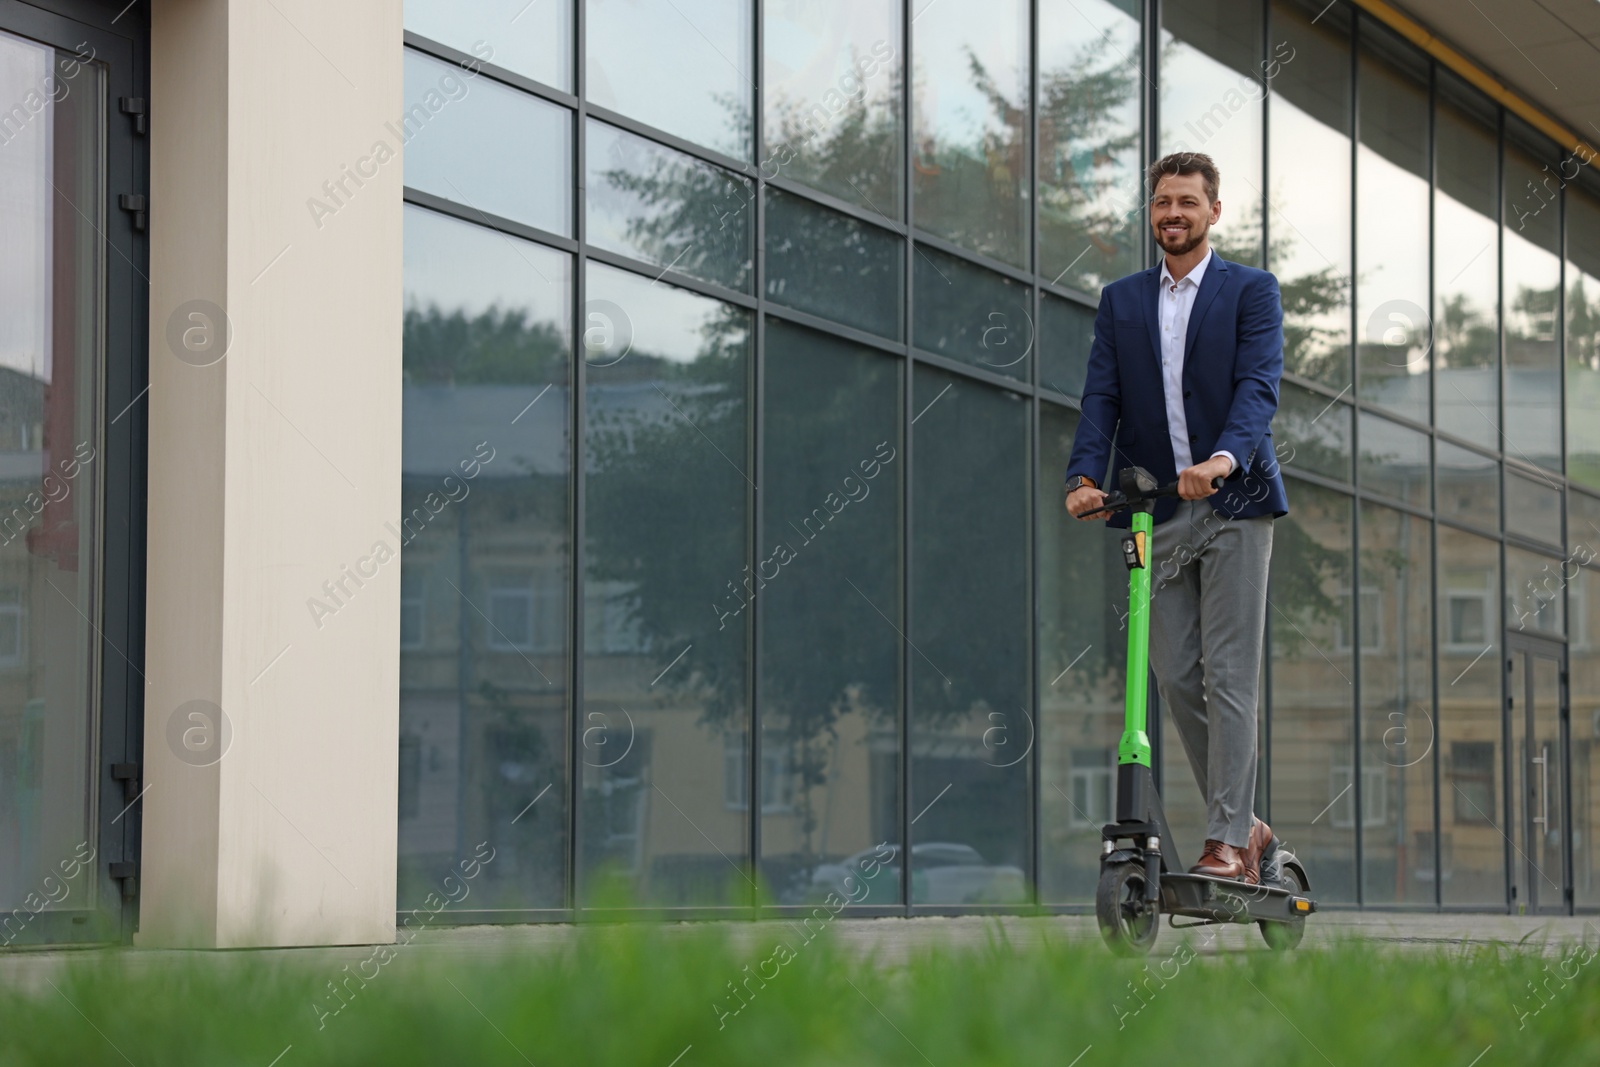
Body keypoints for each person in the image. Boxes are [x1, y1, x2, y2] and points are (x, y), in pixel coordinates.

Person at [1063, 152, 1287, 884]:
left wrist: (1224, 457)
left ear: (1213, 210)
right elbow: (1103, 397)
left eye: (1187, 202)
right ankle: (1246, 824)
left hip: (1236, 503)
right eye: (1162, 202)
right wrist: (1084, 474)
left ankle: (1223, 840)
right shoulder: (1122, 301)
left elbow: (1258, 385)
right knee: (1175, 672)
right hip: (1157, 509)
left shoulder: (1251, 291)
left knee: (1229, 672)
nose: (1173, 214)